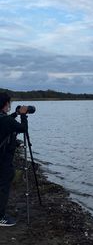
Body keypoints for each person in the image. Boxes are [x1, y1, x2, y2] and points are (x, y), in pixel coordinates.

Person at [0, 92, 28, 227]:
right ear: (5, 104)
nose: (9, 105)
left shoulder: (3, 118)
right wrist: (23, 115)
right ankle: (0, 217)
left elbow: (6, 123)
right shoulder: (5, 120)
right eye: (8, 103)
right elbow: (23, 128)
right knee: (3, 187)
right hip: (3, 160)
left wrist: (16, 114)